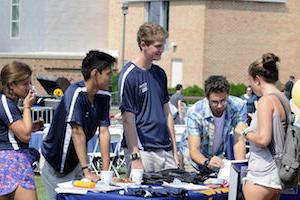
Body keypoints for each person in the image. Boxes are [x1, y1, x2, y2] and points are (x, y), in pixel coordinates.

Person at [41, 50, 116, 200]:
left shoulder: (104, 96)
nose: (111, 78)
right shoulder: (75, 92)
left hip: (77, 163)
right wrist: (86, 170)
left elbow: (104, 132)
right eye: (108, 74)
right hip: (56, 165)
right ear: (95, 73)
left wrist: (105, 172)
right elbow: (76, 131)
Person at [118, 22, 179, 174]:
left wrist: (175, 151)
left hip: (165, 150)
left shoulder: (160, 73)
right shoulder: (129, 75)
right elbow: (127, 119)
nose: (162, 50)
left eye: (162, 45)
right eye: (158, 46)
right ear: (143, 44)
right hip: (143, 151)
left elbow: (167, 113)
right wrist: (135, 156)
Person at [235, 53, 288, 199]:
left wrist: (244, 131)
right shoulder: (283, 98)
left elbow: (264, 139)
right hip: (278, 173)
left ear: (257, 79)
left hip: (261, 175)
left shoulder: (266, 101)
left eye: (251, 82)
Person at [179, 75, 247, 174]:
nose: (219, 106)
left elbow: (239, 141)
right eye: (215, 102)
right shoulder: (195, 111)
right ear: (207, 98)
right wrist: (206, 162)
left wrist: (240, 171)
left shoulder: (238, 106)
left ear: (228, 95)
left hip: (217, 157)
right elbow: (194, 149)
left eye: (223, 101)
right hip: (192, 160)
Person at [0, 61, 37, 199]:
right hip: (12, 161)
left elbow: (8, 130)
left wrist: (32, 127)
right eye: (25, 84)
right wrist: (27, 107)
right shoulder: (5, 103)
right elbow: (25, 135)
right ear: (11, 84)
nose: (29, 87)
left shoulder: (7, 103)